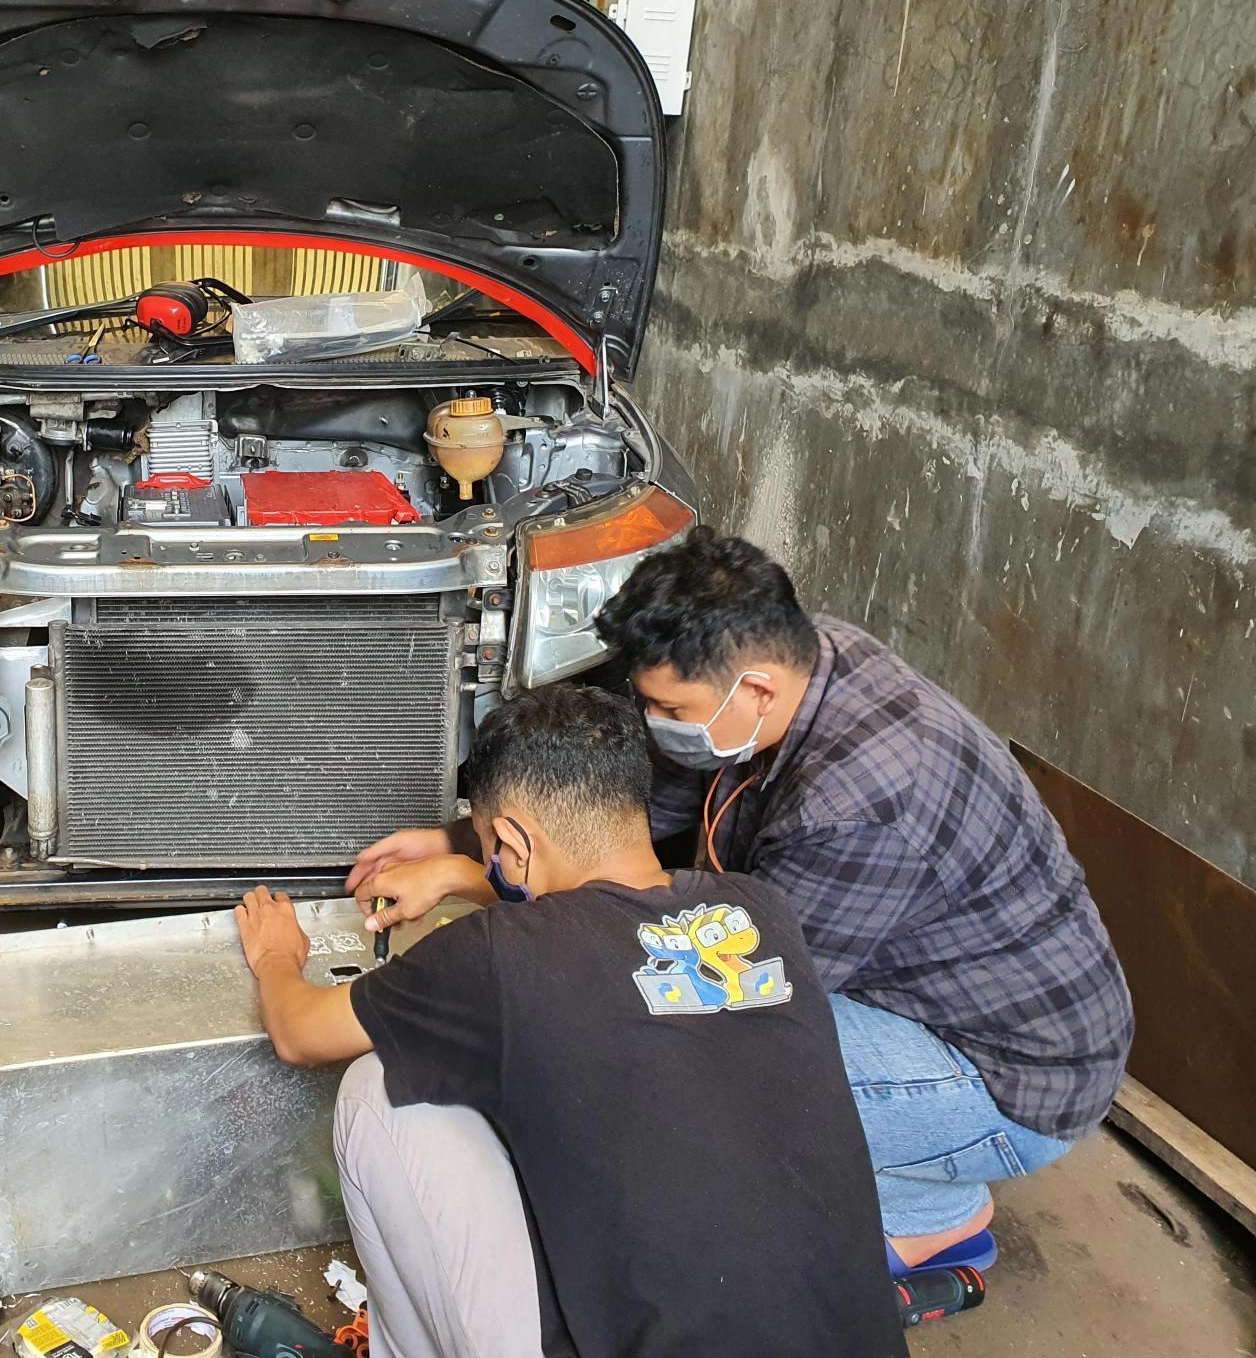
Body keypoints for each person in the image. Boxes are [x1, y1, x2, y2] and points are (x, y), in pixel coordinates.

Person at [351, 527, 1133, 1279]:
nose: (656, 729)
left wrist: (482, 885)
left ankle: (922, 1219)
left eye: (673, 712)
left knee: (664, 1062)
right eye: (648, 704)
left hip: (1008, 1080)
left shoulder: (857, 802)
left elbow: (740, 1001)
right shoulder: (786, 666)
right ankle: (922, 1187)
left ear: (755, 687)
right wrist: (469, 840)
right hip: (917, 995)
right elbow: (631, 813)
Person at [237, 684, 906, 1358]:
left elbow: (300, 1033)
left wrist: (275, 957)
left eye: (492, 852)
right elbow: (608, 912)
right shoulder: (762, 910)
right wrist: (466, 875)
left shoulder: (501, 953)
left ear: (513, 843)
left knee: (379, 1087)